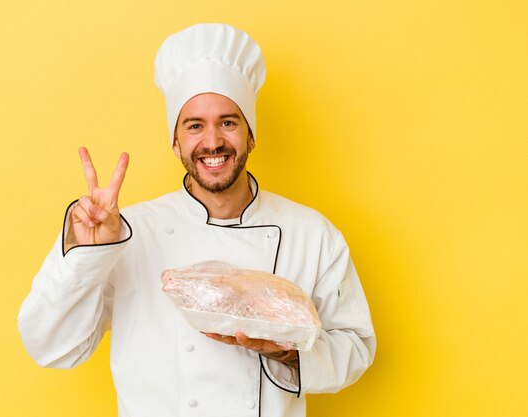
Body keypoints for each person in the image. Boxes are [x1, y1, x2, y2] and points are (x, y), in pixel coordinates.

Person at [18, 23, 376, 417]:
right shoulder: (127, 233)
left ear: (251, 135)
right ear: (175, 142)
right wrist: (87, 255)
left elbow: (356, 346)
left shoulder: (311, 233)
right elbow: (50, 347)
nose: (212, 142)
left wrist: (286, 351)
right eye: (194, 126)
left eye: (228, 121)